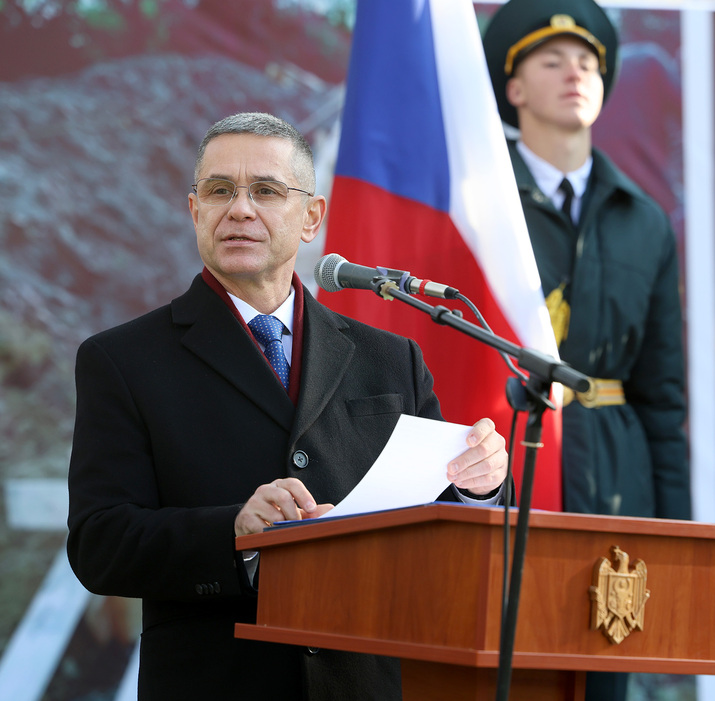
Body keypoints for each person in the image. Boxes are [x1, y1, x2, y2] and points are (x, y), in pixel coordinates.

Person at [66, 112, 509, 701]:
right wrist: (233, 530)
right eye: (220, 191)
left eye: (267, 191)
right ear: (195, 212)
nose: (241, 209)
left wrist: (479, 488)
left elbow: (444, 536)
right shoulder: (122, 360)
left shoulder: (391, 359)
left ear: (312, 217)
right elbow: (100, 545)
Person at [482, 2, 691, 699]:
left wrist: (674, 536)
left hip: (615, 479)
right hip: (507, 470)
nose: (576, 72)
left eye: (589, 62)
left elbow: (663, 396)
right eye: (552, 60)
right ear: (514, 89)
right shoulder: (475, 205)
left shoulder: (644, 220)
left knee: (604, 677)